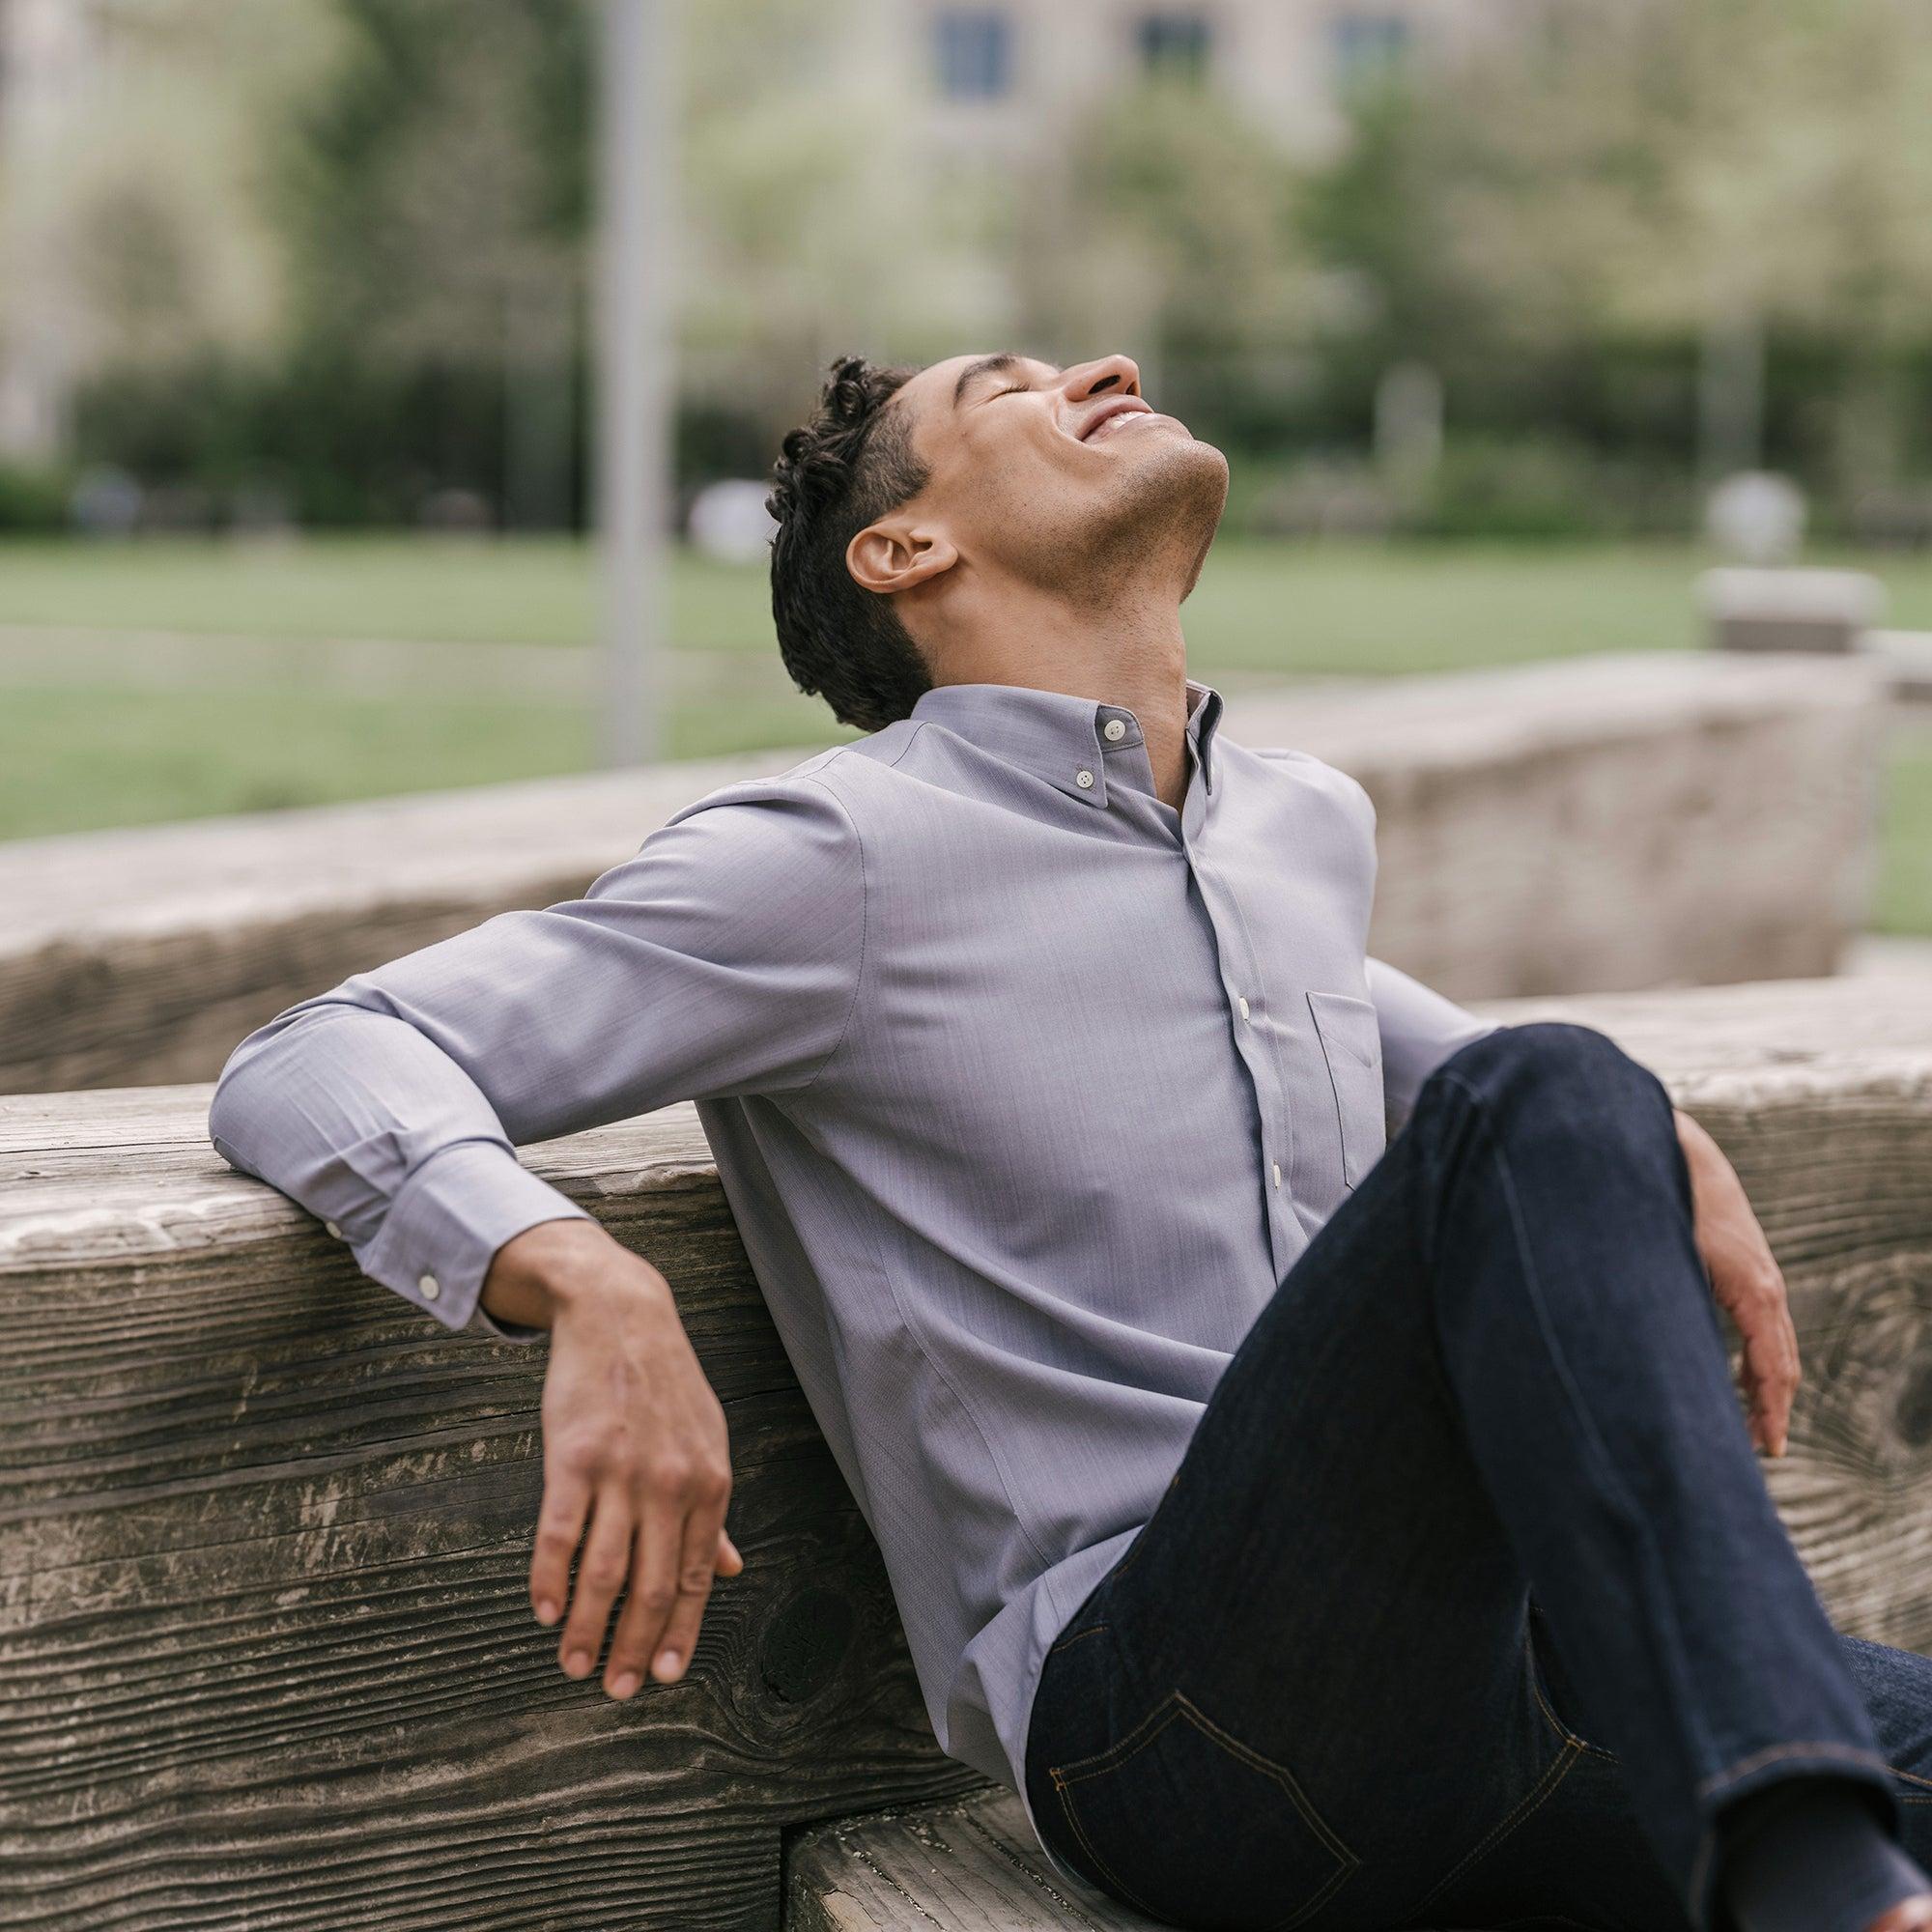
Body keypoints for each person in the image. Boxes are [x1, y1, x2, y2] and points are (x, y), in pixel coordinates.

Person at [209, 351, 1932, 1932]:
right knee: (1554, 1085)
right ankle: (1812, 1878)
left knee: (1561, 1085)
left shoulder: (1292, 828)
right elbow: (324, 1049)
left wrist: (1639, 1127)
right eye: (1007, 388)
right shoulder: (838, 860)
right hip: (1179, 1735)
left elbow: (1341, 1014)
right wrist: (581, 1277)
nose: (1105, 367)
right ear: (904, 551)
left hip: (1512, 1679)